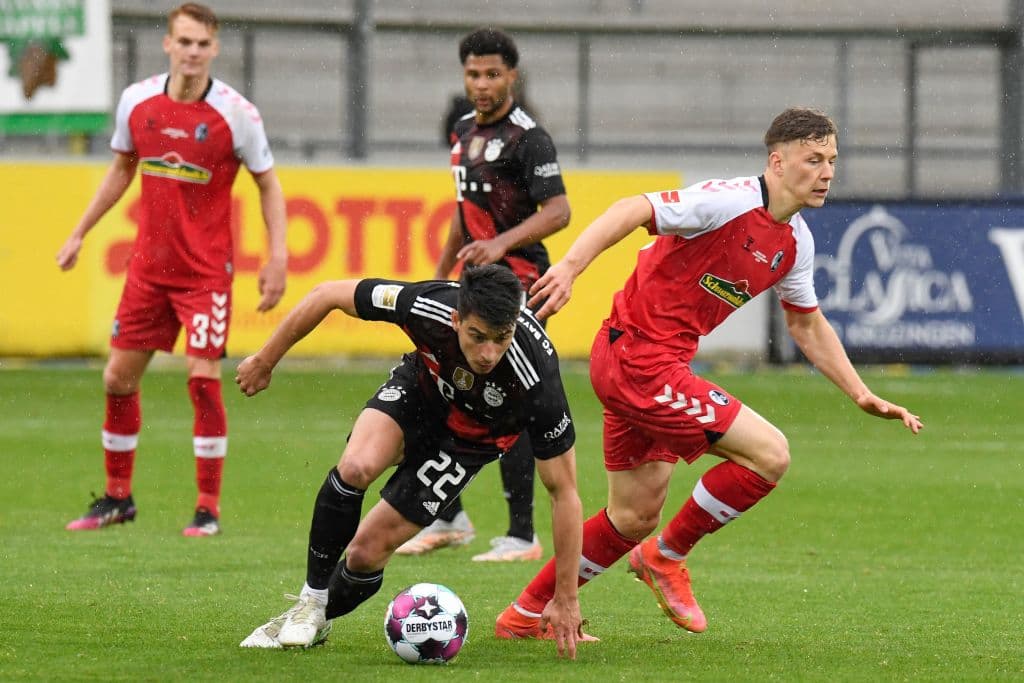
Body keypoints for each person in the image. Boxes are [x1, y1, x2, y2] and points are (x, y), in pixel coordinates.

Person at [493, 107, 924, 639]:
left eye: (832, 160)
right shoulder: (729, 201)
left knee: (633, 515)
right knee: (770, 455)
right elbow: (632, 208)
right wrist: (570, 267)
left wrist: (860, 393)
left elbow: (805, 322)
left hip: (645, 364)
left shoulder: (796, 242)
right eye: (813, 160)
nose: (827, 172)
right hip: (639, 361)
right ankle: (666, 557)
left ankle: (523, 615)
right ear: (777, 162)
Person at [236, 265, 587, 658]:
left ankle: (315, 618)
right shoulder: (426, 305)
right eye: (477, 336)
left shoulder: (536, 377)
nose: (488, 353)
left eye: (500, 338)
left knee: (365, 554)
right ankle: (311, 601)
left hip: (469, 443)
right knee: (355, 468)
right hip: (419, 395)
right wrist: (265, 360)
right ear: (456, 319)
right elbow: (328, 294)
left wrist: (566, 597)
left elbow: (564, 493)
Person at [57, 3, 287, 537]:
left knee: (202, 379)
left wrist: (277, 256)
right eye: (184, 42)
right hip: (148, 271)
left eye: (202, 44)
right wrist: (80, 231)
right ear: (168, 44)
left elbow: (268, 183)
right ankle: (117, 498)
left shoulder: (237, 114)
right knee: (117, 378)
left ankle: (207, 509)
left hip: (205, 274)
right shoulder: (137, 101)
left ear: (215, 49)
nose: (192, 53)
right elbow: (121, 168)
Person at [396, 27, 571, 562]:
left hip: (519, 284)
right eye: (473, 73)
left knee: (512, 401)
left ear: (512, 76)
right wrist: (438, 274)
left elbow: (559, 212)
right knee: (442, 388)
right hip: (471, 285)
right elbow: (462, 211)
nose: (482, 84)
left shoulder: (529, 138)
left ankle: (522, 535)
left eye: (492, 73)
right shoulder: (462, 129)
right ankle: (450, 517)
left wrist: (499, 244)